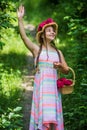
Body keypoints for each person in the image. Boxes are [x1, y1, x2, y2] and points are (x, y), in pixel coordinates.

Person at [17, 5, 69, 130]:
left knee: (52, 120)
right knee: (43, 120)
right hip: (42, 90)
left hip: (53, 91)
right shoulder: (37, 50)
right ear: (43, 34)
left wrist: (61, 66)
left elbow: (66, 70)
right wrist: (20, 19)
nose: (52, 32)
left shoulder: (58, 52)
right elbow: (24, 37)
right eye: (49, 30)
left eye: (53, 30)